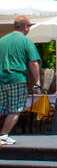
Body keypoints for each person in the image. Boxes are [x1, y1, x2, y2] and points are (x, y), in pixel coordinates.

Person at [0, 16, 41, 146]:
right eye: (29, 26)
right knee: (15, 109)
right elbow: (33, 63)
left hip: (1, 78)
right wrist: (37, 81)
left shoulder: (2, 40)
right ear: (25, 27)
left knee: (2, 108)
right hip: (17, 78)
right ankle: (3, 135)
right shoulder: (26, 41)